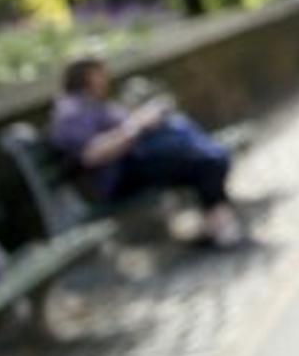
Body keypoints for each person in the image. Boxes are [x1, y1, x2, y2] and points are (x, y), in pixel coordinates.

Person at [48, 56, 244, 248]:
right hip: (117, 177)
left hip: (134, 164)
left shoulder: (91, 102)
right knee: (204, 160)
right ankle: (221, 227)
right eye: (100, 73)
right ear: (87, 76)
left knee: (199, 151)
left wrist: (146, 118)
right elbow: (91, 155)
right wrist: (137, 126)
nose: (106, 78)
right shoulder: (71, 111)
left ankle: (218, 225)